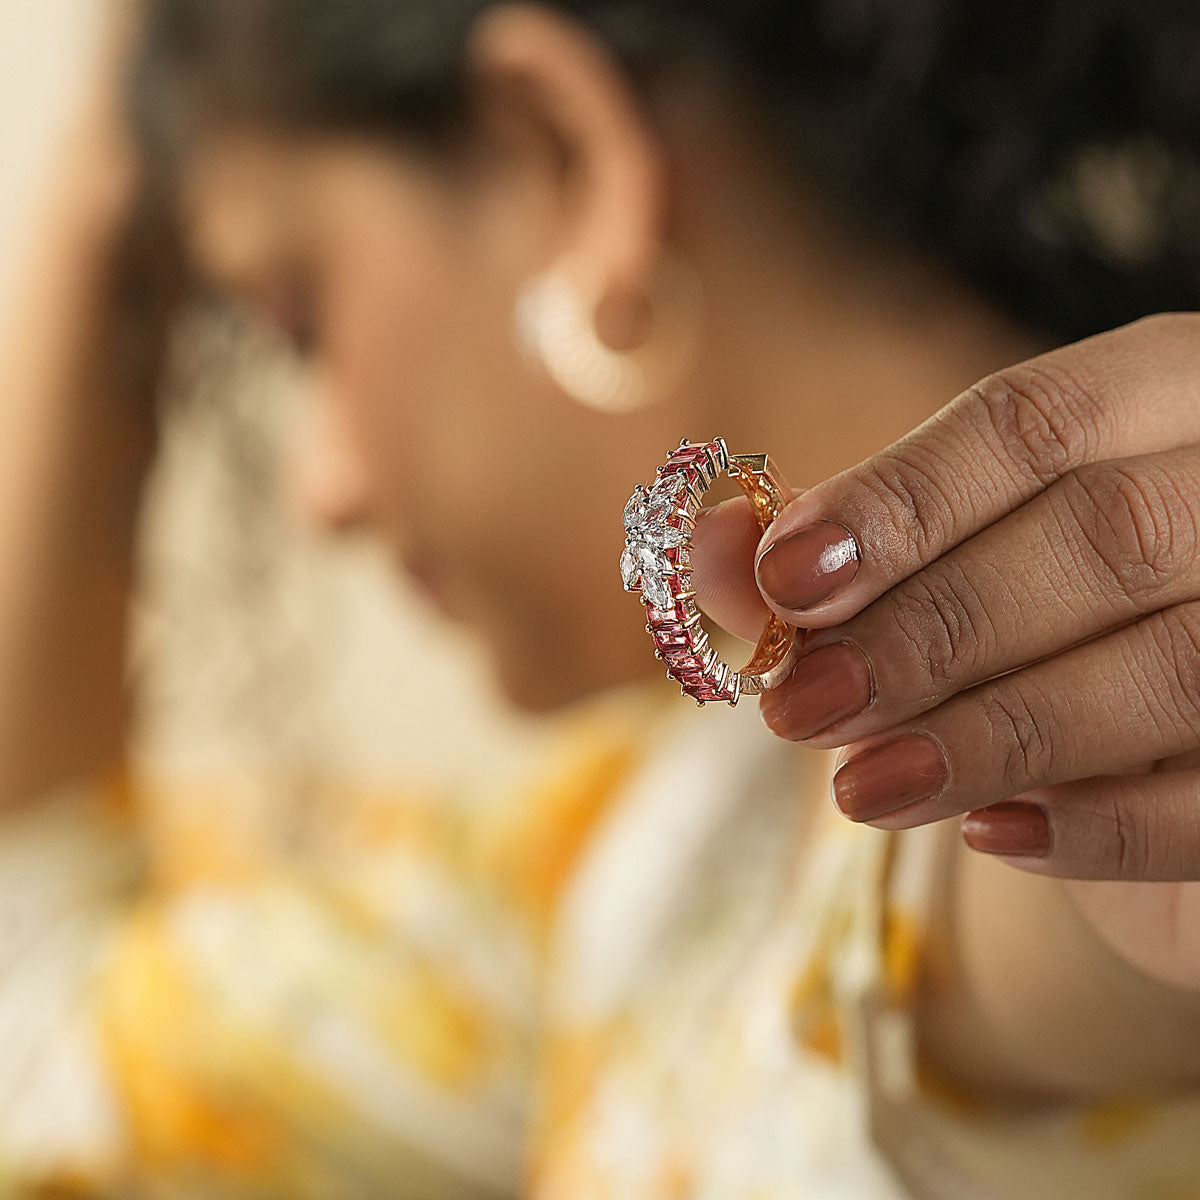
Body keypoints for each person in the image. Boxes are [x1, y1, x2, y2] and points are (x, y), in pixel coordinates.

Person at [3, 0, 1200, 1195]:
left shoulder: (1061, 796)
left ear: (565, 151)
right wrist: (95, 189)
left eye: (299, 319)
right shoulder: (628, 867)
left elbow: (1080, 912)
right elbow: (41, 1034)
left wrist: (1111, 828)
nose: (321, 490)